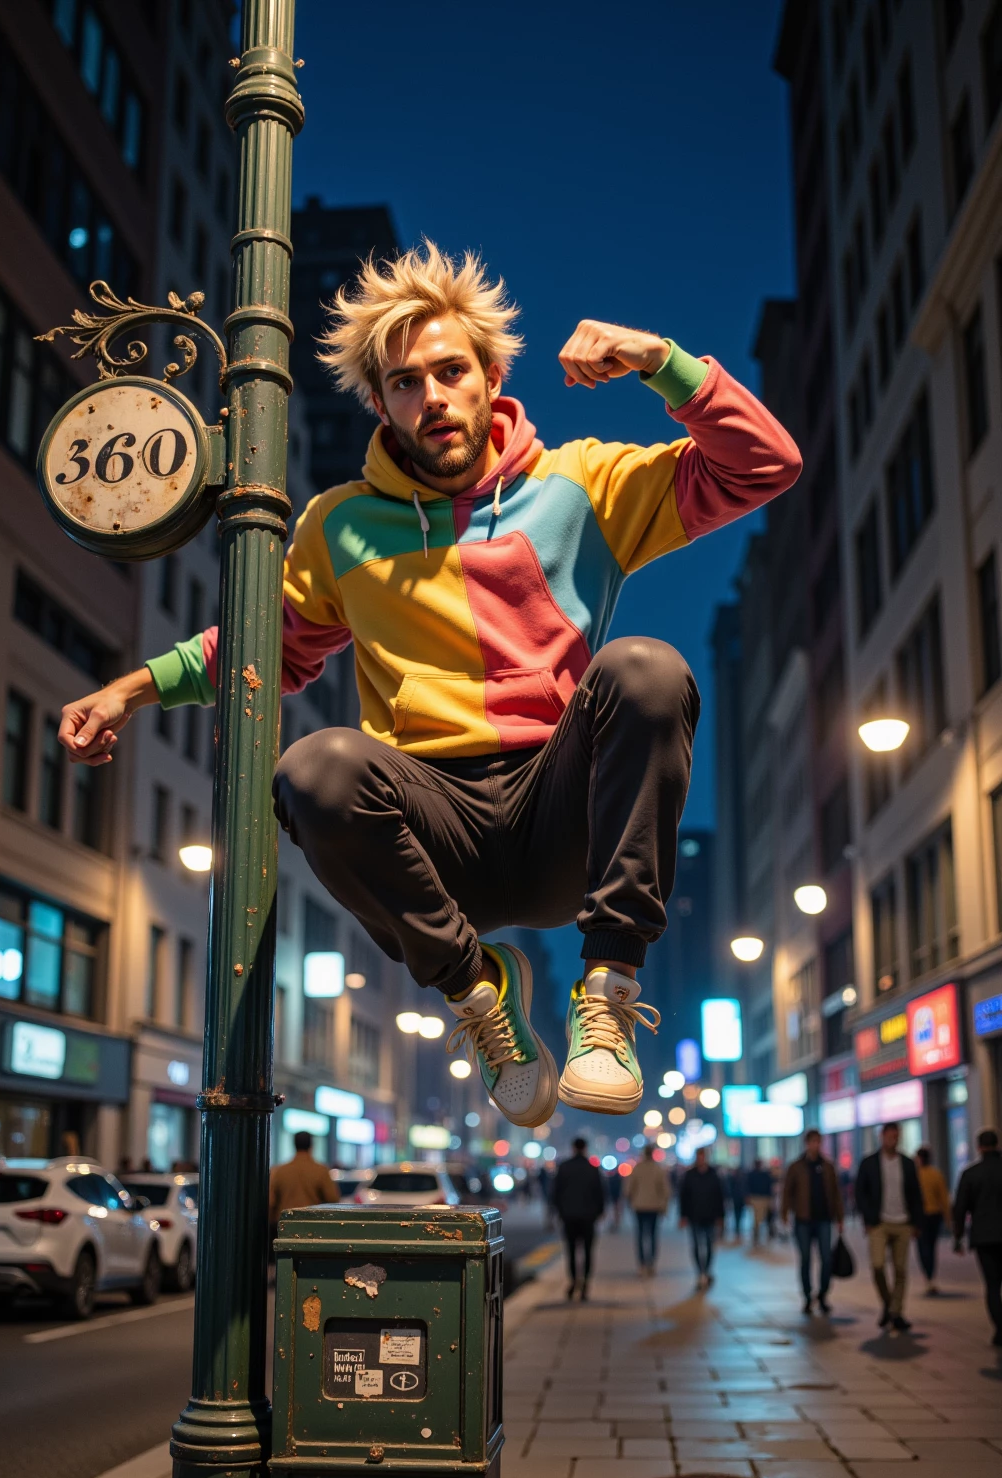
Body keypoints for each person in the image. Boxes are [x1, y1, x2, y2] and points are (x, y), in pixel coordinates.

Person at [59, 244, 800, 1131]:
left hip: (562, 812)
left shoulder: (583, 483)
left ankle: (607, 989)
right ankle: (479, 995)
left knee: (645, 668)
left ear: (492, 375)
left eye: (451, 372)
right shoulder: (339, 524)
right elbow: (263, 645)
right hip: (436, 831)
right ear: (380, 402)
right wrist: (127, 693)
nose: (433, 397)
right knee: (313, 768)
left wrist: (660, 361)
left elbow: (763, 466)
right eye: (406, 383)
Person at [855, 1121, 923, 1333]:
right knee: (877, 1266)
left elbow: (915, 1194)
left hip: (903, 1222)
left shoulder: (907, 1163)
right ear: (882, 1137)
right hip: (879, 1223)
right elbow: (860, 1192)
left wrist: (917, 1222)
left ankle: (896, 1312)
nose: (893, 1140)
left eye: (897, 1136)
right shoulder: (869, 1163)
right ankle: (888, 1302)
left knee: (901, 1270)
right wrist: (868, 1219)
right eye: (890, 1136)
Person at [781, 1129, 845, 1315]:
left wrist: (840, 1218)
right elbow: (787, 1191)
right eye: (812, 1142)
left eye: (818, 1142)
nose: (815, 1145)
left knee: (826, 1258)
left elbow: (836, 1194)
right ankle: (807, 1296)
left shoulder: (827, 1167)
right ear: (807, 1143)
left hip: (824, 1219)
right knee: (806, 1259)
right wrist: (785, 1213)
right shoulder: (796, 1167)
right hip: (803, 1220)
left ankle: (823, 1294)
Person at [953, 1128, 1002, 1345]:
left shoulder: (970, 1174)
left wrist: (957, 1236)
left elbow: (961, 1208)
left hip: (984, 1236)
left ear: (979, 1147)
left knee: (992, 1285)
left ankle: (1000, 1329)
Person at [552, 1137, 606, 1300]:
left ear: (573, 1148)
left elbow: (556, 1192)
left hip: (569, 1216)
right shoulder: (592, 1168)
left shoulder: (564, 1167)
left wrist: (559, 1211)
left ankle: (573, 1280)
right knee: (588, 1251)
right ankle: (586, 1284)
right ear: (585, 1148)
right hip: (589, 1217)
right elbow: (600, 1193)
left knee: (571, 1250)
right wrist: (599, 1212)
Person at [268, 1131, 339, 1251]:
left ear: (294, 1145)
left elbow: (271, 1202)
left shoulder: (280, 1171)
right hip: (313, 1228)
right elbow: (333, 1199)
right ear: (312, 1146)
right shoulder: (320, 1170)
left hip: (285, 1228)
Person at [679, 1148, 725, 1289]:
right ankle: (700, 1272)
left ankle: (706, 1270)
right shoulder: (689, 1175)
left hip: (710, 1216)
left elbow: (720, 1196)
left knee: (710, 1245)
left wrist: (721, 1216)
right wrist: (683, 1216)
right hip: (694, 1216)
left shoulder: (713, 1175)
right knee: (696, 1246)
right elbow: (683, 1197)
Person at [626, 1144, 671, 1275]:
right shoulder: (658, 1169)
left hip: (639, 1206)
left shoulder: (637, 1169)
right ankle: (651, 1263)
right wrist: (663, 1206)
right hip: (654, 1207)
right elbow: (666, 1190)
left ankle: (642, 1264)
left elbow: (628, 1189)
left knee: (640, 1235)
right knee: (652, 1235)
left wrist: (632, 1200)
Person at [915, 1145, 951, 1296]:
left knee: (923, 1247)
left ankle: (928, 1276)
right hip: (935, 1216)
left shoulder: (915, 1175)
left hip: (920, 1216)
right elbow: (944, 1198)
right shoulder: (936, 1174)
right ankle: (930, 1277)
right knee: (931, 1245)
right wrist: (949, 1219)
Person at [745, 1158, 774, 1244]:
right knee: (757, 1219)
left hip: (762, 1198)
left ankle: (760, 1233)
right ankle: (757, 1234)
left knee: (762, 1217)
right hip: (757, 1198)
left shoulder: (763, 1175)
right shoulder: (755, 1175)